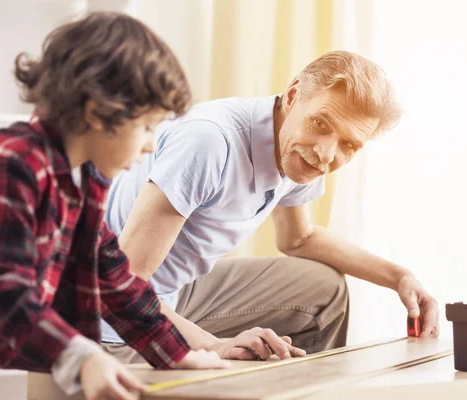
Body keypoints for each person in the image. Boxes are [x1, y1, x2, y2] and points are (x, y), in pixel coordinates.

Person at [102, 50, 440, 364]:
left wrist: (400, 277)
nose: (326, 154)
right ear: (293, 97)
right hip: (108, 314)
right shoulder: (207, 142)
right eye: (321, 124)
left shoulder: (299, 150)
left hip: (173, 291)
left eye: (348, 144)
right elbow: (123, 286)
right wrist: (214, 347)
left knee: (322, 287)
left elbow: (298, 239)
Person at [0, 12, 231, 400]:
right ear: (97, 112)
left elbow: (112, 278)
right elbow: (5, 292)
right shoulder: (16, 164)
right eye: (147, 126)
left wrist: (176, 353)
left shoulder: (85, 180)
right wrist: (83, 357)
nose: (151, 145)